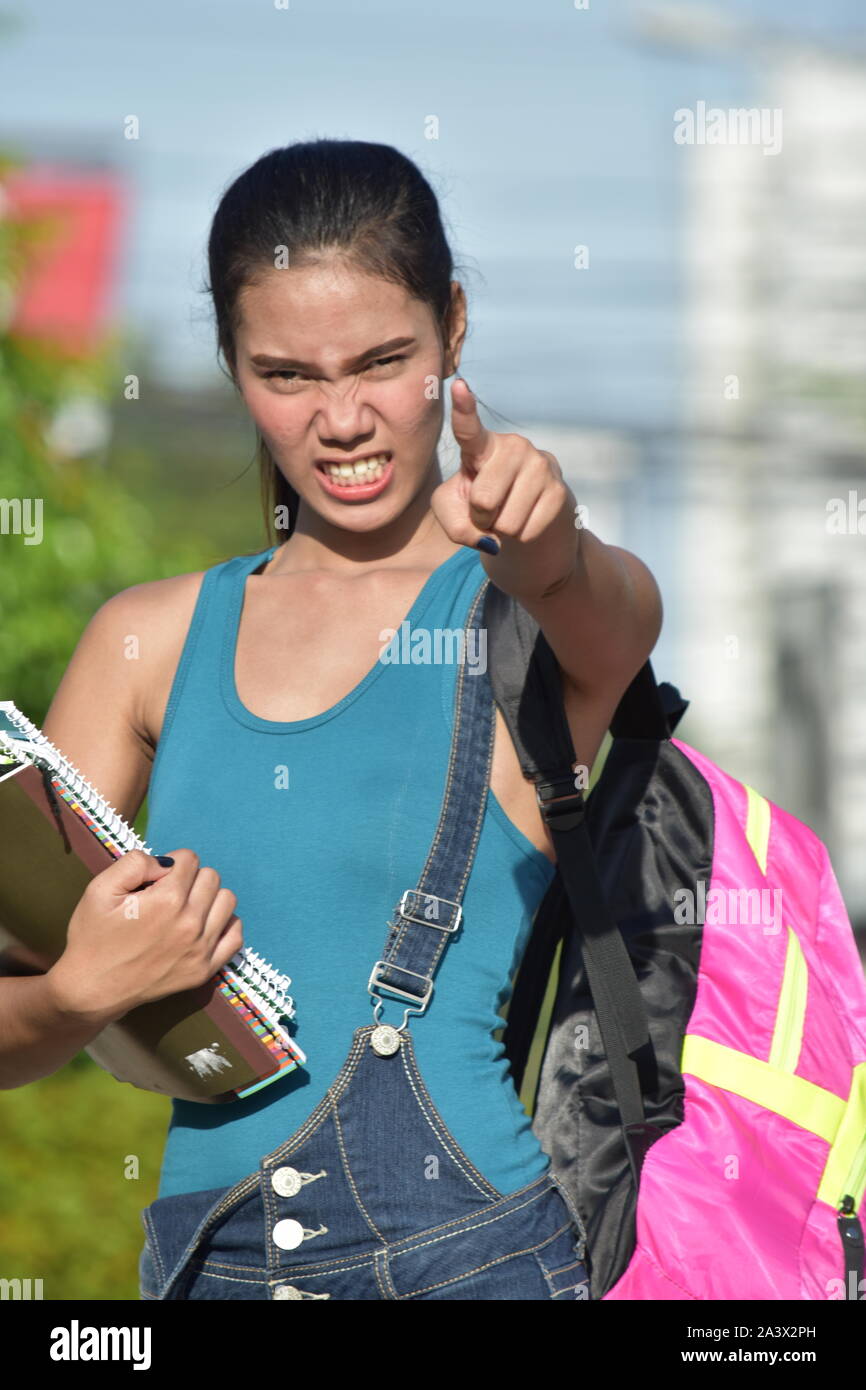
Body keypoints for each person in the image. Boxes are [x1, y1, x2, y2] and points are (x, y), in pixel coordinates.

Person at [0, 138, 662, 1300]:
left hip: (477, 1261)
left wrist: (547, 540)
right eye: (287, 374)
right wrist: (72, 997)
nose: (342, 417)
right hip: (207, 1267)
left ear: (451, 325)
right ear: (230, 364)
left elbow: (609, 610)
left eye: (382, 360)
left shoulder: (524, 607)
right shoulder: (145, 640)